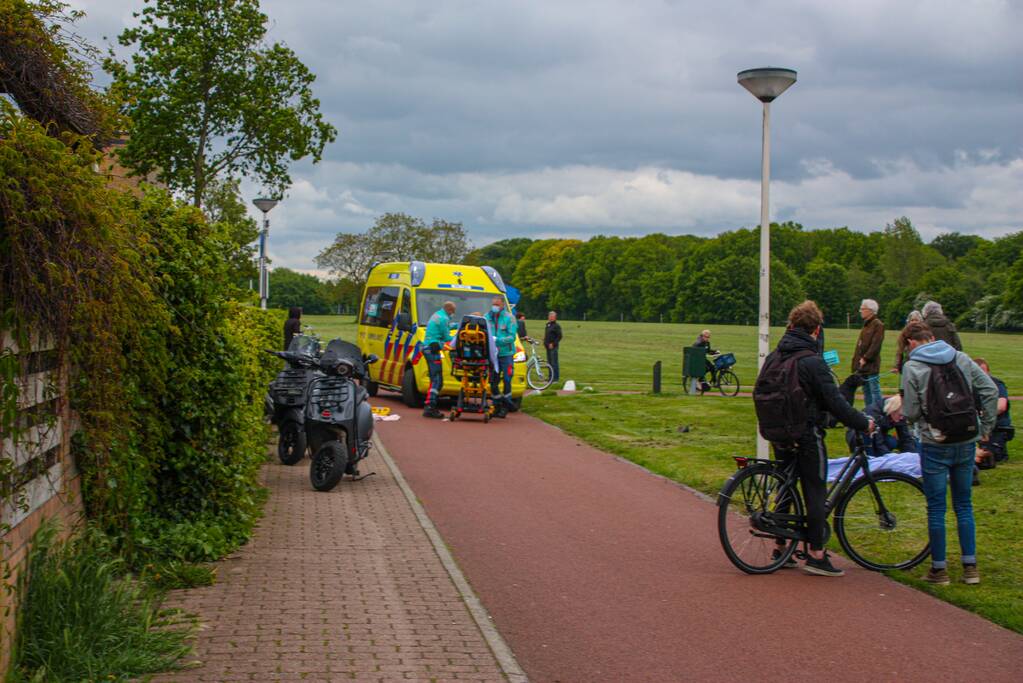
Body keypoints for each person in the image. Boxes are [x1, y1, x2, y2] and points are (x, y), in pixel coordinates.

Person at [761, 301, 873, 577]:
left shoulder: (776, 355)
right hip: (805, 433)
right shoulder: (812, 361)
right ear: (816, 330)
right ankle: (816, 554)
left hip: (777, 430)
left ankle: (781, 546)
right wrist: (862, 422)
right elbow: (834, 402)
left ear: (791, 326)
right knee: (815, 488)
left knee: (786, 486)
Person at [901, 321, 997, 585]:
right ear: (933, 337)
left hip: (934, 440)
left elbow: (909, 411)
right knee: (964, 505)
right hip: (965, 437)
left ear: (911, 343)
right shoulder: (962, 359)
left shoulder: (913, 367)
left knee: (936, 507)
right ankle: (970, 566)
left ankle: (939, 569)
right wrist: (985, 427)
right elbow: (989, 390)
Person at [972, 358, 1013, 467]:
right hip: (973, 428)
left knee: (990, 458)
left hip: (994, 428)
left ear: (988, 372)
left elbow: (1001, 406)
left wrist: (982, 417)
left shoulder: (996, 384)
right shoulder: (968, 386)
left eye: (983, 371)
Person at [846, 394, 915, 457]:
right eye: (900, 415)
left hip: (877, 435)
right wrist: (889, 458)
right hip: (857, 436)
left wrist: (913, 456)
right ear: (893, 410)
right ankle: (869, 458)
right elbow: (879, 442)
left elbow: (905, 438)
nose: (902, 418)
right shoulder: (874, 414)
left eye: (904, 415)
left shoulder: (899, 413)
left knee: (892, 442)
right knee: (882, 446)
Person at [421, 301, 456, 419]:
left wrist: (457, 325)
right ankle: (430, 407)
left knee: (434, 378)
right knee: (437, 380)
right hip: (433, 349)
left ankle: (429, 405)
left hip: (428, 348)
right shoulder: (444, 319)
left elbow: (443, 328)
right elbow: (447, 337)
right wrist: (458, 338)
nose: (453, 314)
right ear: (450, 310)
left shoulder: (437, 315)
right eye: (453, 312)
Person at [486, 297, 517, 418]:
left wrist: (497, 340)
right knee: (493, 381)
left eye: (497, 304)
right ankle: (498, 404)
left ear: (503, 305)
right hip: (493, 354)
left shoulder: (509, 318)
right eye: (493, 304)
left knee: (507, 380)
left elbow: (512, 337)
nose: (495, 307)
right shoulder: (487, 317)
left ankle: (505, 406)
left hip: (506, 354)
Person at [852, 299, 884, 409]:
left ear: (870, 311)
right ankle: (870, 413)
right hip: (862, 366)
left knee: (874, 390)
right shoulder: (866, 325)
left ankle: (879, 413)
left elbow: (876, 345)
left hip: (871, 364)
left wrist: (865, 358)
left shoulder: (878, 325)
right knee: (866, 391)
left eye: (863, 309)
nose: (860, 311)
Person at [544, 311, 563, 383]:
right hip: (547, 346)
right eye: (549, 316)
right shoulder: (548, 325)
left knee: (554, 362)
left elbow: (559, 336)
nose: (550, 317)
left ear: (554, 317)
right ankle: (550, 377)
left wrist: (553, 344)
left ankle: (555, 378)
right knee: (549, 363)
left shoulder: (556, 326)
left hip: (553, 347)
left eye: (552, 316)